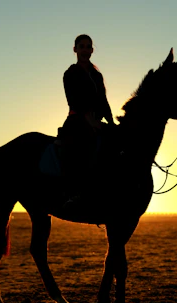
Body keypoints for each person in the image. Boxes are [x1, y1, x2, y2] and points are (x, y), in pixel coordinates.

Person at [59, 34, 115, 207]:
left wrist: (111, 123)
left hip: (96, 120)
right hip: (77, 119)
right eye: (81, 46)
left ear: (92, 50)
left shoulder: (97, 75)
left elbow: (103, 101)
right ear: (75, 49)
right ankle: (73, 192)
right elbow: (73, 100)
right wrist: (88, 119)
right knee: (81, 146)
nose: (85, 50)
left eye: (88, 47)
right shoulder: (70, 74)